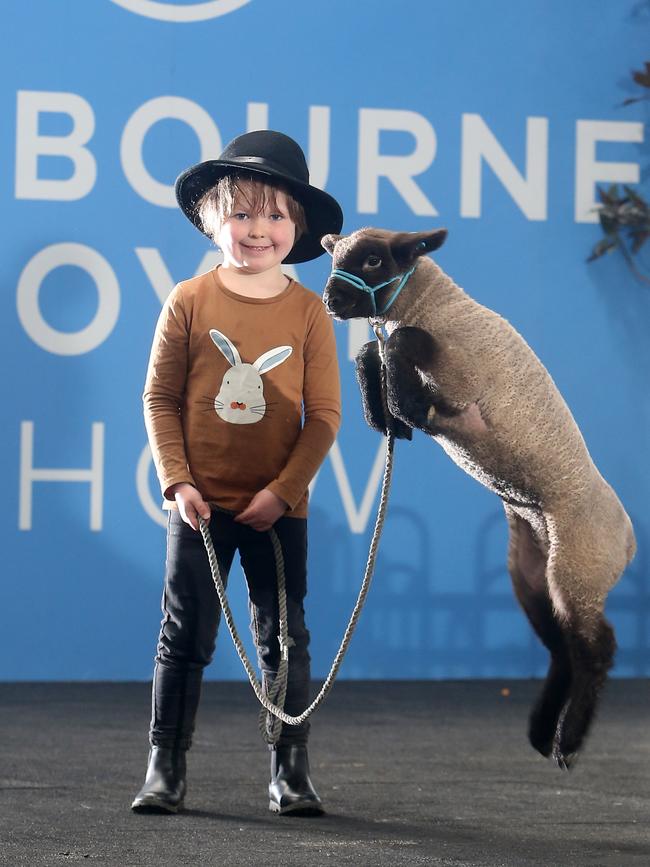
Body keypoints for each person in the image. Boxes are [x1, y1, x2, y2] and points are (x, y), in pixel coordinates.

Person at [131, 130, 343, 816]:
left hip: (278, 511)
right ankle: (166, 764)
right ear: (211, 219)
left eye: (276, 215)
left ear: (299, 228)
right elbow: (159, 398)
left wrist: (284, 492)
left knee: (284, 634)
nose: (259, 230)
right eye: (243, 213)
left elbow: (325, 417)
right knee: (185, 632)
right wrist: (179, 481)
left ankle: (290, 768)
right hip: (199, 505)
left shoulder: (310, 312)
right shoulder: (190, 301)